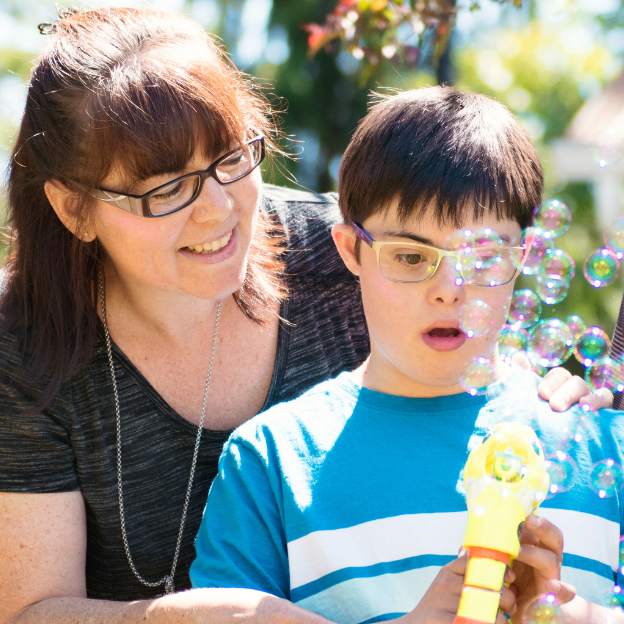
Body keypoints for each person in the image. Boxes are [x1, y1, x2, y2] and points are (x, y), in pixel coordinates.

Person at [0, 6, 608, 624]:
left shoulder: (335, 250)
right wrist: (179, 618)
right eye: (165, 189)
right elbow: (28, 610)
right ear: (74, 209)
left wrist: (544, 394)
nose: (217, 211)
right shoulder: (24, 349)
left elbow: (461, 294)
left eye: (232, 158)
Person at [190, 88, 624, 624]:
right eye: (411, 256)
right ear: (351, 250)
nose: (448, 290)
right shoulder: (273, 462)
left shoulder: (600, 441)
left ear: (527, 255)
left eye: (484, 255)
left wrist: (575, 615)